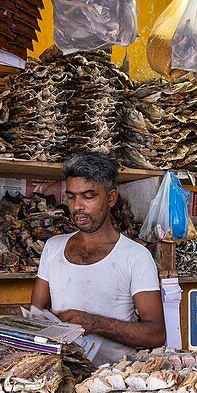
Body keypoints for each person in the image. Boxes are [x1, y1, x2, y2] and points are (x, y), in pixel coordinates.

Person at [31, 152, 166, 365]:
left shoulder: (136, 257)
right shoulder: (53, 247)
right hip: (60, 370)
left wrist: (94, 323)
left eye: (88, 196)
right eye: (72, 196)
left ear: (111, 198)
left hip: (113, 378)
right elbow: (36, 314)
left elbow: (156, 334)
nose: (77, 206)